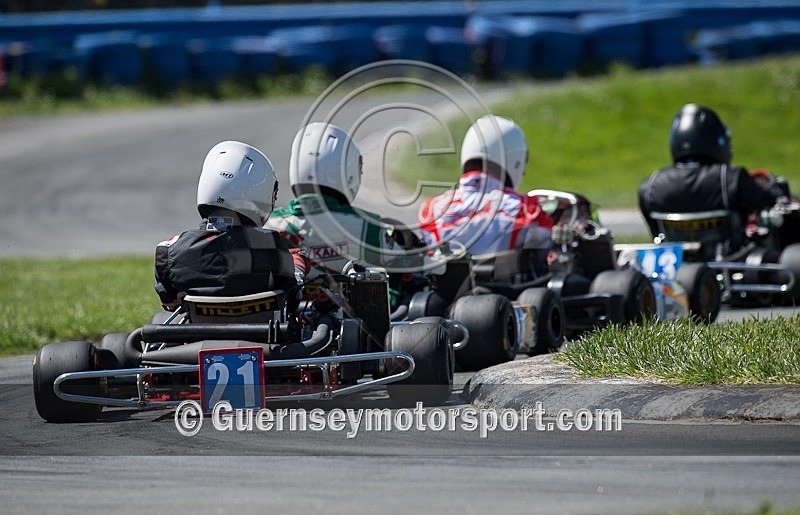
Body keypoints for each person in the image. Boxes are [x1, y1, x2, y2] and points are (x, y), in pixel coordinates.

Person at [154, 140, 308, 311]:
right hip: (260, 336)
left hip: (198, 336)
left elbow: (170, 305)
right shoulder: (271, 245)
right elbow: (292, 299)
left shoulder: (167, 251)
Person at [417, 114, 553, 275]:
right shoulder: (528, 209)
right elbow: (546, 250)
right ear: (515, 160)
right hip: (508, 292)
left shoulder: (432, 209)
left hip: (447, 294)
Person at [638, 103, 785, 240]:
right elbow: (771, 203)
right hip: (729, 261)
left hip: (673, 262)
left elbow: (656, 234)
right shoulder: (731, 179)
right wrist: (779, 189)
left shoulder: (649, 187)